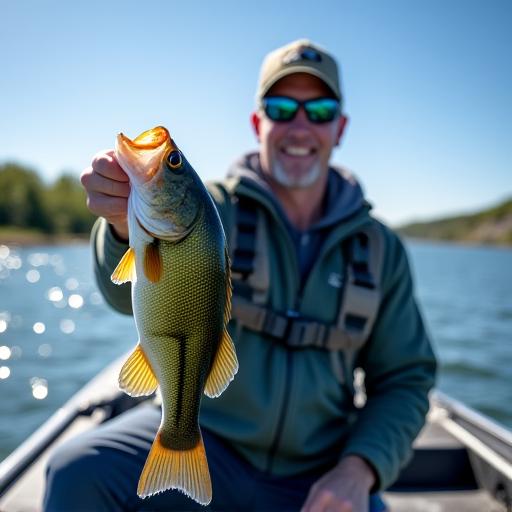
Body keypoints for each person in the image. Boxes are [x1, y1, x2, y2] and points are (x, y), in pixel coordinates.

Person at [44, 39, 437, 512]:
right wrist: (121, 229)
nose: (299, 124)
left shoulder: (381, 250)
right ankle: (178, 444)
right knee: (76, 472)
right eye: (281, 106)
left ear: (341, 127)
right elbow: (117, 290)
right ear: (258, 122)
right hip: (211, 436)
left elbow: (406, 379)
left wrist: (360, 470)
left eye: (320, 109)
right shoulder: (213, 210)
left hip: (319, 470)